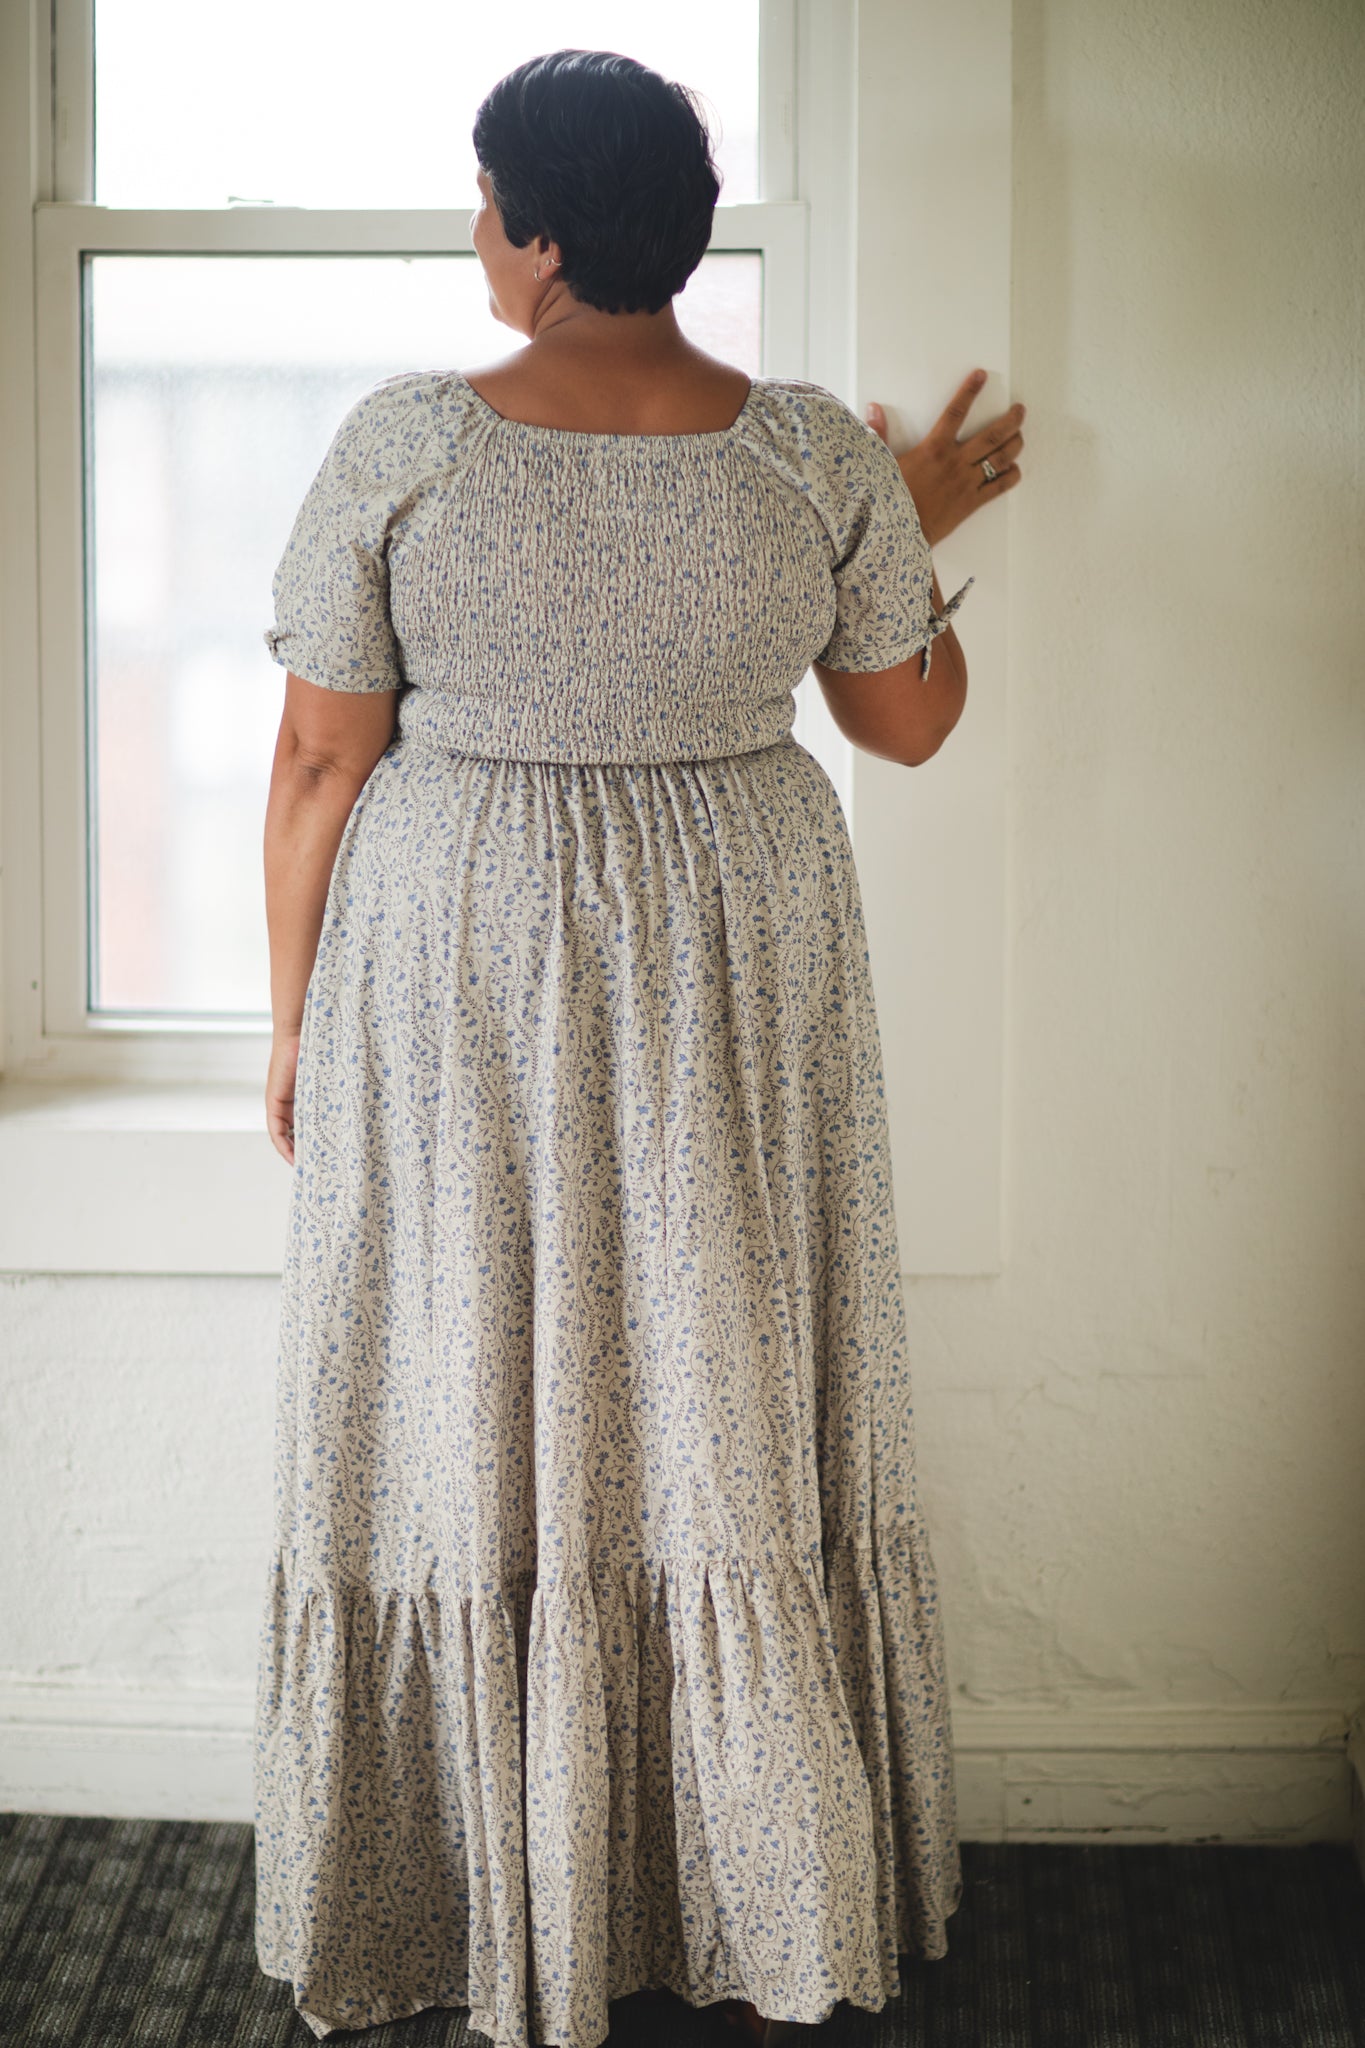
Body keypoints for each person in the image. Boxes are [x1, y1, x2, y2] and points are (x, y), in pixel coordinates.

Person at [251, 46, 1025, 2048]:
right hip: (727, 948)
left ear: (531, 234)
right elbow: (908, 723)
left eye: (481, 201)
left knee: (467, 1369)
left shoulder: (407, 441)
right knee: (714, 1363)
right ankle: (747, 1866)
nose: (476, 234)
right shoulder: (807, 455)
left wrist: (296, 1019)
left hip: (462, 955)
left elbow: (322, 759)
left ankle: (481, 1872)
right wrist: (902, 525)